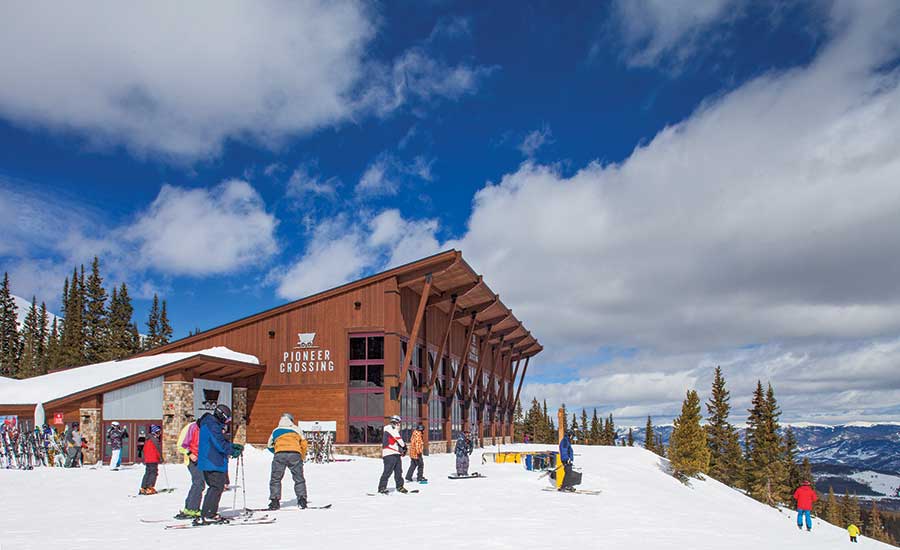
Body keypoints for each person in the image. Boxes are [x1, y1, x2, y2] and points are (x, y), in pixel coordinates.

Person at [197, 404, 240, 524]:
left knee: (216, 487)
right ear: (221, 416)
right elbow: (219, 443)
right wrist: (232, 450)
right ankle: (208, 514)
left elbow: (219, 441)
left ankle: (209, 512)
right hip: (212, 461)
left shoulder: (210, 423)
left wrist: (231, 446)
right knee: (216, 487)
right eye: (227, 419)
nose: (227, 422)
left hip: (211, 460)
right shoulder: (212, 425)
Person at [266, 412, 309, 510]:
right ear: (291, 420)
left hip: (280, 455)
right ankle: (302, 500)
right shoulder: (297, 429)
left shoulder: (276, 430)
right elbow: (304, 444)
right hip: (295, 454)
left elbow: (269, 445)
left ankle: (274, 501)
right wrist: (301, 455)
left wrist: (277, 451)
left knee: (276, 478)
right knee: (298, 478)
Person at [175, 417, 204, 519]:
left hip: (201, 460)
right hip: (191, 459)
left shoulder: (203, 429)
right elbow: (180, 445)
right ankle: (192, 508)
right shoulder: (191, 427)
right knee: (198, 482)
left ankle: (190, 506)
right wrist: (190, 454)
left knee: (199, 483)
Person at [377, 415, 408, 494]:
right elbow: (398, 439)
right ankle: (382, 487)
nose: (399, 425)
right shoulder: (390, 428)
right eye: (399, 423)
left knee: (398, 471)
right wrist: (404, 446)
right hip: (389, 454)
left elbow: (395, 441)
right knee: (387, 471)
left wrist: (401, 450)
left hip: (395, 454)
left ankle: (400, 486)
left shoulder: (393, 430)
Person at [139, 425, 161, 495]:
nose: (159, 433)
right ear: (155, 432)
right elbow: (157, 449)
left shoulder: (148, 439)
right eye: (158, 432)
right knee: (153, 473)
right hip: (153, 459)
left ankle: (143, 487)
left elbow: (144, 449)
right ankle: (149, 487)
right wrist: (161, 458)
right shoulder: (154, 439)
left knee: (148, 472)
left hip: (148, 459)